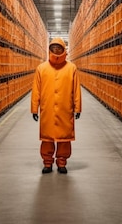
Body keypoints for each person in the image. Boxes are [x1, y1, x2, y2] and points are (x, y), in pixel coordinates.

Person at [31, 37, 82, 174]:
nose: (56, 50)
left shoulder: (71, 68)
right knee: (47, 138)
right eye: (53, 48)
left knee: (64, 139)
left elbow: (76, 89)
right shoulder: (41, 68)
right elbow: (36, 90)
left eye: (59, 48)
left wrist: (78, 107)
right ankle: (47, 163)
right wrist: (34, 108)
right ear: (49, 50)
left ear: (64, 50)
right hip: (47, 109)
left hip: (65, 109)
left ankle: (62, 163)